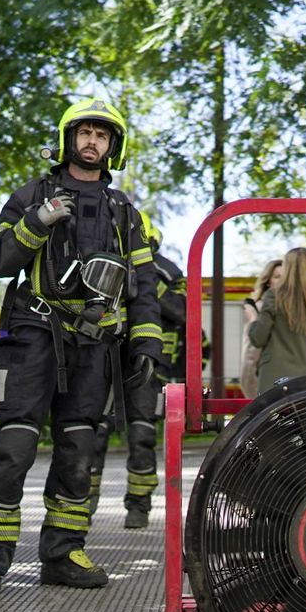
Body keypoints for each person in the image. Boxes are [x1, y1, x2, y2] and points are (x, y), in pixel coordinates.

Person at [0, 97, 162, 599]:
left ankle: (64, 553)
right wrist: (37, 222)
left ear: (113, 147)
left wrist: (146, 344)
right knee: (14, 446)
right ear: (69, 140)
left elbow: (145, 284)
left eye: (102, 135)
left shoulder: (125, 212)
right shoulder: (31, 195)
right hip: (32, 334)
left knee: (79, 452)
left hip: (95, 343)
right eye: (84, 132)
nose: (92, 141)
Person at [98, 210, 186, 528]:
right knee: (94, 431)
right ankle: (83, 503)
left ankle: (139, 505)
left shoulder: (170, 272)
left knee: (141, 432)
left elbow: (184, 313)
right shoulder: (107, 260)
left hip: (147, 363)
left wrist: (147, 283)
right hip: (105, 357)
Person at [248, 247, 306, 394]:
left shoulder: (274, 295)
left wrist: (253, 318)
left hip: (275, 375)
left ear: (289, 268)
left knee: (274, 417)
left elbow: (258, 338)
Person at [239, 258, 282, 399]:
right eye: (277, 277)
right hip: (266, 385)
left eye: (286, 278)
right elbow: (250, 357)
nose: (282, 282)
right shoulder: (260, 309)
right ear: (268, 281)